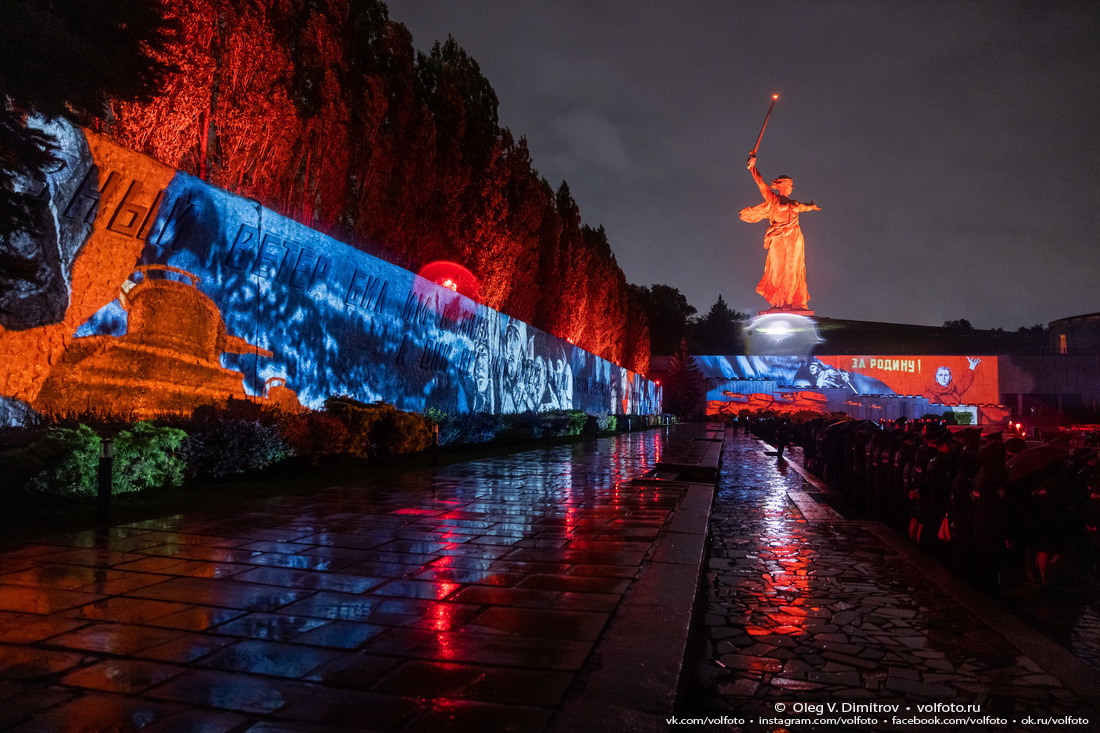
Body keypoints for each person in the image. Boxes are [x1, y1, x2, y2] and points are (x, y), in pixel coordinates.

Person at [739, 152, 820, 311]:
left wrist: (811, 206)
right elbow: (761, 184)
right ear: (783, 184)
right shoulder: (773, 200)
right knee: (776, 270)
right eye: (790, 184)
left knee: (791, 269)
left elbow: (802, 207)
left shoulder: (794, 203)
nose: (792, 187)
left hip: (794, 236)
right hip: (777, 236)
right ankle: (777, 302)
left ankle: (788, 303)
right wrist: (752, 167)